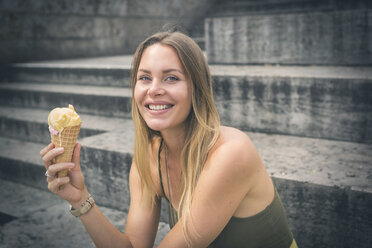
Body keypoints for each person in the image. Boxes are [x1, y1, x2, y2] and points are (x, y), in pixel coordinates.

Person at [40, 30, 298, 248]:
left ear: (197, 89)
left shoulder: (232, 153)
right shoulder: (149, 157)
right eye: (144, 78)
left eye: (171, 78)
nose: (154, 90)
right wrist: (80, 197)